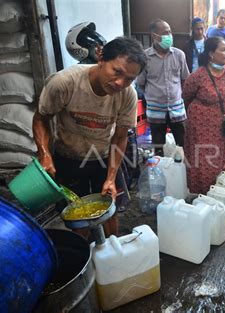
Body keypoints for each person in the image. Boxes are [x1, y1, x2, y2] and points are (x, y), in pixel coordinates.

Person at [33, 37, 147, 236]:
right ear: (101, 56)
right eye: (117, 72)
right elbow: (41, 119)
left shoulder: (128, 95)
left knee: (110, 212)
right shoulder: (64, 83)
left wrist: (111, 177)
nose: (121, 83)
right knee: (78, 219)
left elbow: (120, 137)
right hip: (68, 158)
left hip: (103, 159)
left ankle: (111, 253)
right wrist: (44, 154)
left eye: (129, 78)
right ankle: (86, 257)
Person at [182, 37, 225, 194]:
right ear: (211, 54)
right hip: (201, 126)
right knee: (204, 159)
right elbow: (186, 96)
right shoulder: (198, 75)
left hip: (224, 125)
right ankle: (203, 193)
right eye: (222, 50)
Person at [137, 19, 190, 156]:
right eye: (165, 33)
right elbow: (141, 83)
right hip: (155, 110)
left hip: (177, 108)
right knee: (158, 147)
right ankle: (161, 173)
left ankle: (184, 173)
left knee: (182, 144)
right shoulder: (145, 57)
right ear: (154, 36)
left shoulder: (179, 55)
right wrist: (153, 96)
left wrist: (178, 96)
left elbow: (185, 79)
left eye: (170, 32)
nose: (169, 35)